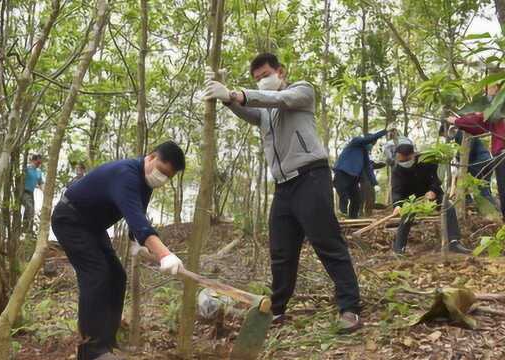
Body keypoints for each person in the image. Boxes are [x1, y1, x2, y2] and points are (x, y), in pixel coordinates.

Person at [202, 53, 362, 333]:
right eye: (257, 79)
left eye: (265, 75)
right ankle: (276, 311)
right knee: (281, 251)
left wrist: (236, 93)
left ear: (280, 71)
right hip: (283, 185)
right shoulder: (264, 111)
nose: (262, 82)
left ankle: (350, 308)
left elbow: (278, 100)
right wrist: (226, 98)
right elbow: (251, 110)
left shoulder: (302, 91)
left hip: (311, 176)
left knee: (327, 243)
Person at [51, 141, 186, 360]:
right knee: (97, 274)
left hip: (92, 226)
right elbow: (139, 223)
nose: (161, 178)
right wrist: (165, 254)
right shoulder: (126, 175)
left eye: (167, 177)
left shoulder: (145, 184)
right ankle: (91, 350)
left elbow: (137, 218)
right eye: (161, 171)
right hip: (70, 220)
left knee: (116, 276)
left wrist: (139, 244)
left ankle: (106, 342)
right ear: (151, 158)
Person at [447, 80, 505, 224]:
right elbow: (478, 124)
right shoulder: (498, 111)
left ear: (499, 89)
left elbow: (479, 122)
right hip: (504, 155)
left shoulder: (504, 107)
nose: (487, 94)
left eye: (489, 89)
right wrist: (458, 121)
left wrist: (456, 121)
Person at [390, 138, 471, 255]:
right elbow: (396, 190)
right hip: (413, 199)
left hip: (433, 195)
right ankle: (399, 250)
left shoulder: (426, 160)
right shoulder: (397, 170)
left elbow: (437, 177)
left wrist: (433, 190)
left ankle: (454, 242)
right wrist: (397, 205)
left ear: (413, 155)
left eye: (406, 159)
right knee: (406, 216)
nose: (404, 163)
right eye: (401, 160)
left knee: (448, 206)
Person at [333, 129, 388, 218]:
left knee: (356, 200)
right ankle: (341, 216)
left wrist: (374, 184)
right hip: (342, 174)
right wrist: (384, 132)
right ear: (367, 140)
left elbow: (368, 169)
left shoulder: (365, 155)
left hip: (353, 179)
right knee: (344, 197)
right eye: (371, 143)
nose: (371, 145)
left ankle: (353, 219)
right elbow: (368, 139)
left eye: (373, 144)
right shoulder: (355, 142)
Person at [23, 154, 44, 233]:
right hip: (23, 192)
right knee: (30, 208)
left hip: (31, 193)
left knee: (30, 210)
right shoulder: (27, 169)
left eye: (40, 163)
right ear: (33, 161)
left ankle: (26, 230)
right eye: (37, 163)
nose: (39, 164)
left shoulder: (39, 172)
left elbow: (40, 183)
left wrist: (44, 193)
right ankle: (27, 230)